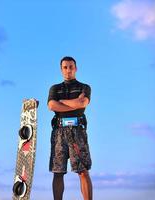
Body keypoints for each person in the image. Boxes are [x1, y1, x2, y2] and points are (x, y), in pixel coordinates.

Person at [47, 56, 93, 200]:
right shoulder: (55, 88)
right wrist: (74, 102)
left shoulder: (84, 87)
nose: (68, 70)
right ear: (61, 70)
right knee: (58, 171)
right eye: (65, 67)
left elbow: (83, 103)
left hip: (78, 131)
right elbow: (51, 106)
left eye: (71, 67)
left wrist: (61, 102)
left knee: (83, 171)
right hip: (59, 132)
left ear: (76, 68)